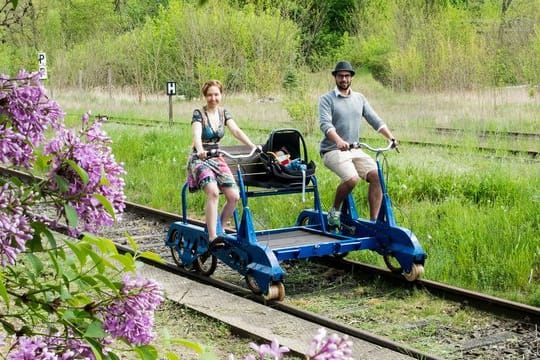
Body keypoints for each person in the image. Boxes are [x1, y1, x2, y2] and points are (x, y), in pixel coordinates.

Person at [318, 61, 398, 226]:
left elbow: (374, 119)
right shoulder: (326, 99)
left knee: (377, 175)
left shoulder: (359, 98)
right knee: (352, 178)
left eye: (347, 76)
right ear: (335, 77)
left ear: (352, 78)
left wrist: (390, 137)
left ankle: (373, 222)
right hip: (332, 150)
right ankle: (335, 210)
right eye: (340, 76)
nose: (344, 79)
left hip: (354, 149)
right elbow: (325, 125)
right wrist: (339, 141)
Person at [187, 79, 258, 249]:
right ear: (205, 96)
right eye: (210, 95)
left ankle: (219, 228)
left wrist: (252, 146)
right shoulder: (199, 114)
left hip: (217, 157)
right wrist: (201, 149)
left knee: (234, 196)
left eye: (216, 94)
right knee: (213, 193)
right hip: (200, 158)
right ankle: (212, 236)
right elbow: (197, 135)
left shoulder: (224, 113)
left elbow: (236, 130)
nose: (213, 98)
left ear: (221, 95)